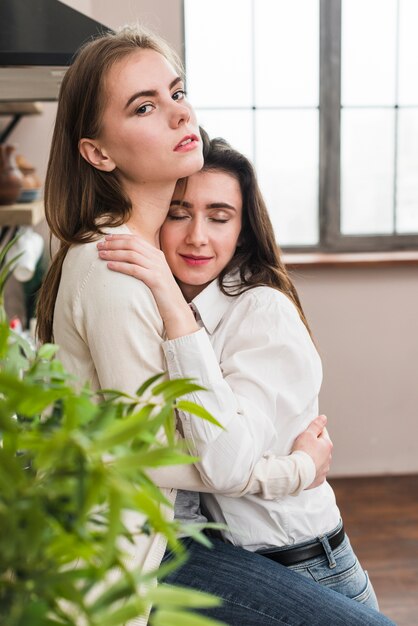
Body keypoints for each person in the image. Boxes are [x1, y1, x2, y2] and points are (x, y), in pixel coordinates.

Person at [36, 25, 394, 626]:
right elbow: (143, 456)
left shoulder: (145, 263)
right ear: (98, 152)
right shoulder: (118, 267)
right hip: (138, 555)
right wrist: (295, 470)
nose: (178, 114)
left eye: (176, 93)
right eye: (145, 106)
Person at [98, 134, 385, 615]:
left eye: (219, 216)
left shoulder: (260, 312)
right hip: (233, 565)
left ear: (243, 232)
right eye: (179, 212)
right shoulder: (153, 310)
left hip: (304, 565)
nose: (197, 237)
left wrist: (173, 305)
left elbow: (225, 462)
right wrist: (294, 469)